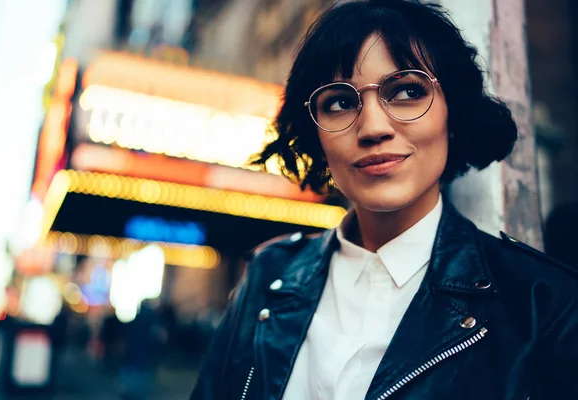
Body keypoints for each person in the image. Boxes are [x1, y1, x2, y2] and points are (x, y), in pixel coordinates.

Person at [190, 1, 578, 399]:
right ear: (317, 138)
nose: (373, 127)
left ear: (452, 112)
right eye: (339, 102)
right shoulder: (268, 277)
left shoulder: (543, 305)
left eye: (407, 91)